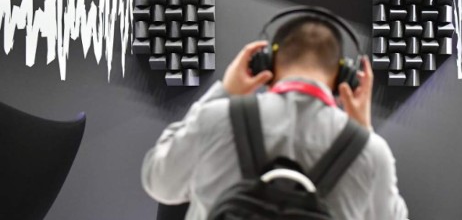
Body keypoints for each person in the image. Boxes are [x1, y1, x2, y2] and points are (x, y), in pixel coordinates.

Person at [141, 15, 409, 219]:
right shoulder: (372, 153)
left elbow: (159, 182)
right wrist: (363, 130)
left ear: (267, 62)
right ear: (343, 78)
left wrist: (225, 92)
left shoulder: (215, 118)